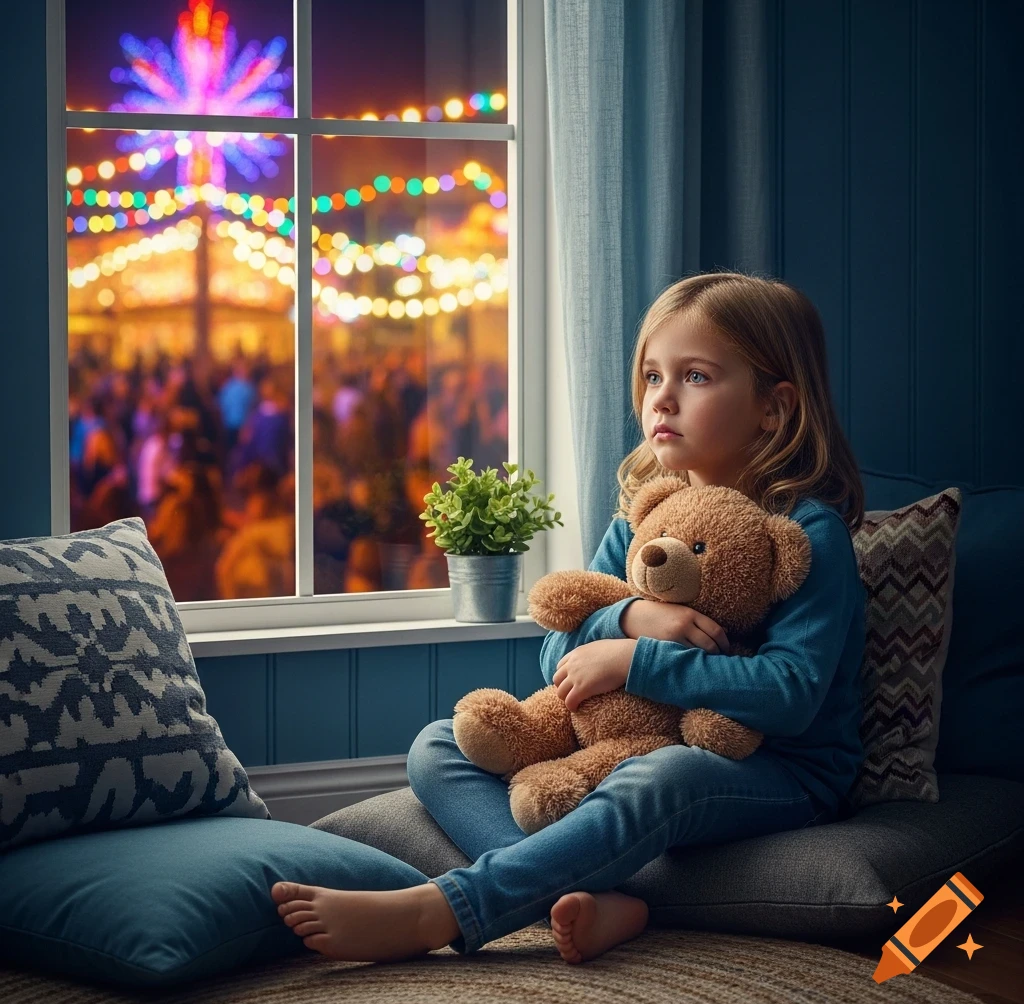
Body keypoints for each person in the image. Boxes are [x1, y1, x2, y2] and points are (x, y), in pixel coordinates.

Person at [270, 271, 867, 966]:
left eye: (696, 377)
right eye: (651, 376)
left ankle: (449, 908)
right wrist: (631, 618)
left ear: (774, 408)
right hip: (609, 746)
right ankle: (597, 890)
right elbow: (558, 662)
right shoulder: (639, 514)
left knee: (664, 776)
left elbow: (791, 697)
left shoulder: (806, 533)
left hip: (775, 772)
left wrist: (636, 662)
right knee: (439, 744)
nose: (661, 399)